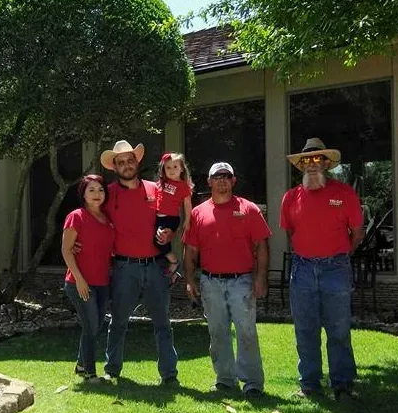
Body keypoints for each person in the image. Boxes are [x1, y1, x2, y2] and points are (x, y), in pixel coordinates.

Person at [280, 138, 364, 400]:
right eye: (307, 160)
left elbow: (357, 233)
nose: (312, 164)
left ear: (326, 163)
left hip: (335, 268)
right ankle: (310, 385)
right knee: (305, 329)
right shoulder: (291, 198)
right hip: (302, 269)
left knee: (338, 329)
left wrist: (338, 256)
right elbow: (291, 231)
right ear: (301, 166)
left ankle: (342, 385)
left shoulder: (345, 194)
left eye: (318, 159)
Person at [183, 162, 271, 399]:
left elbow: (262, 245)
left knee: (246, 332)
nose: (222, 180)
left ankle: (252, 382)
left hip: (242, 281)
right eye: (217, 176)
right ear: (209, 182)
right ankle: (225, 380)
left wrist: (261, 277)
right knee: (218, 332)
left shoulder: (249, 209)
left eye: (226, 176)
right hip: (210, 282)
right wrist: (190, 280)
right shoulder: (198, 213)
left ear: (233, 181)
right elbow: (190, 250)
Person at [99, 140, 179, 385]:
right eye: (121, 162)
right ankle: (112, 369)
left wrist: (169, 235)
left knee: (163, 323)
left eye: (130, 160)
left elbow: (170, 220)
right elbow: (92, 219)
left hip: (156, 266)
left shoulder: (156, 189)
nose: (126, 165)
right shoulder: (107, 193)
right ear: (115, 167)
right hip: (124, 268)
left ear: (137, 161)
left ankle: (169, 375)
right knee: (119, 322)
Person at [61, 174, 115, 383]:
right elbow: (66, 250)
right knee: (91, 327)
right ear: (83, 194)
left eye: (100, 190)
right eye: (91, 190)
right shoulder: (76, 216)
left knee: (95, 326)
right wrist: (80, 280)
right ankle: (90, 374)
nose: (97, 194)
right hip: (79, 283)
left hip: (102, 282)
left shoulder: (107, 219)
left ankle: (82, 364)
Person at [155, 152, 193, 282]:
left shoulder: (183, 186)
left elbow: (187, 204)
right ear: (163, 169)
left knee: (159, 241)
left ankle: (174, 262)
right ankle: (173, 275)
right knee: (156, 242)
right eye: (168, 167)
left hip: (170, 218)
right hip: (158, 217)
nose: (171, 170)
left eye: (175, 167)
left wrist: (187, 220)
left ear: (182, 168)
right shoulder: (161, 183)